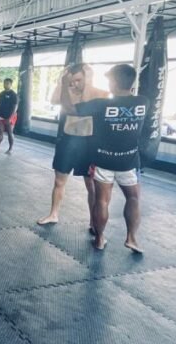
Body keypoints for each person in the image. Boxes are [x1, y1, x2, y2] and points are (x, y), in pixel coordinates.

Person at [59, 64, 147, 253]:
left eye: (109, 80)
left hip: (104, 160)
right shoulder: (143, 102)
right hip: (128, 161)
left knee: (102, 201)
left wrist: (65, 84)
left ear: (114, 82)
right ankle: (131, 238)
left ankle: (99, 239)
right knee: (133, 198)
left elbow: (68, 109)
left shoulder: (102, 104)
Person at [37, 64, 109, 231]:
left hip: (88, 145)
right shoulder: (65, 92)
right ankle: (53, 214)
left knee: (91, 185)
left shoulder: (101, 93)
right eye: (72, 80)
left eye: (79, 80)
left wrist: (88, 83)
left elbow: (87, 103)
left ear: (88, 78)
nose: (74, 84)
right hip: (67, 142)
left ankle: (93, 220)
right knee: (59, 181)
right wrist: (62, 83)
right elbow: (54, 100)